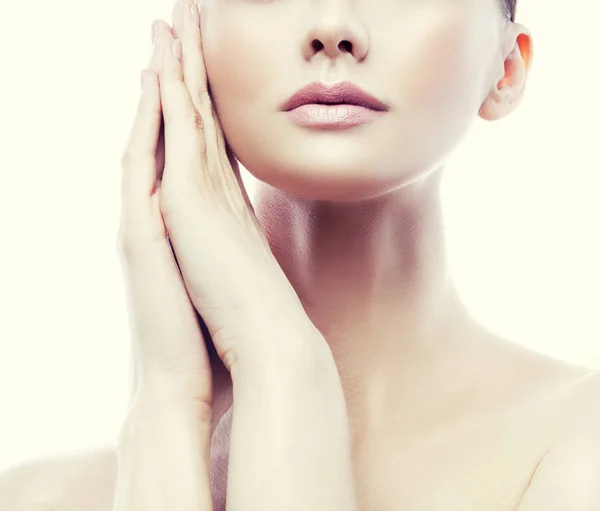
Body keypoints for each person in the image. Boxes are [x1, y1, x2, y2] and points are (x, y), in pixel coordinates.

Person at [1, 0, 599, 509]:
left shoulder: (579, 447)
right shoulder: (32, 498)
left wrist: (286, 367)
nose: (333, 25)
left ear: (508, 68)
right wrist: (167, 406)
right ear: (191, 32)